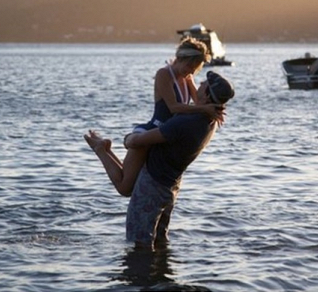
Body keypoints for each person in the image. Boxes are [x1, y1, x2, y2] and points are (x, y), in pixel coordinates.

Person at [84, 71, 235, 249]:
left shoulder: (187, 122)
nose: (199, 85)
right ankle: (161, 274)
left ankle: (140, 275)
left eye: (203, 84)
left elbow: (137, 141)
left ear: (207, 94)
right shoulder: (210, 121)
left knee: (139, 243)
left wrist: (128, 138)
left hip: (153, 187)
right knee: (160, 242)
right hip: (170, 186)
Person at [92, 38, 223, 197]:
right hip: (149, 133)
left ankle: (106, 149)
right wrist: (205, 109)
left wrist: (216, 109)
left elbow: (198, 102)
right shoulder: (164, 74)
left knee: (131, 184)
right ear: (180, 58)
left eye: (194, 69)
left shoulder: (187, 78)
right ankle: (101, 150)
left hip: (163, 137)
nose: (190, 71)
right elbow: (173, 107)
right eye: (189, 66)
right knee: (125, 188)